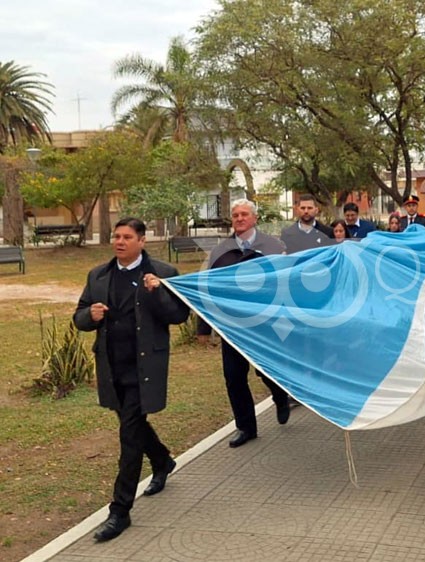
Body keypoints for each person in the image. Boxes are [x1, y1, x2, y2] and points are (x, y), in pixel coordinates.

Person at [73, 217, 189, 542]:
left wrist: (156, 294)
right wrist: (88, 316)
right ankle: (163, 460)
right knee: (131, 424)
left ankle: (120, 511)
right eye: (116, 236)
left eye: (127, 237)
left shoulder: (163, 274)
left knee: (129, 437)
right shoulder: (98, 275)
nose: (119, 241)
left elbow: (180, 315)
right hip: (112, 369)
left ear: (141, 240)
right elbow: (79, 316)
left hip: (145, 369)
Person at [198, 199, 291, 448]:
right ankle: (246, 427)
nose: (239, 218)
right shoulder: (220, 251)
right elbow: (207, 288)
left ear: (254, 218)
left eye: (244, 214)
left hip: (266, 323)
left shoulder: (273, 246)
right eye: (235, 215)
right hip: (233, 325)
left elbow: (286, 284)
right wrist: (203, 328)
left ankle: (280, 395)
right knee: (234, 376)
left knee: (266, 369)